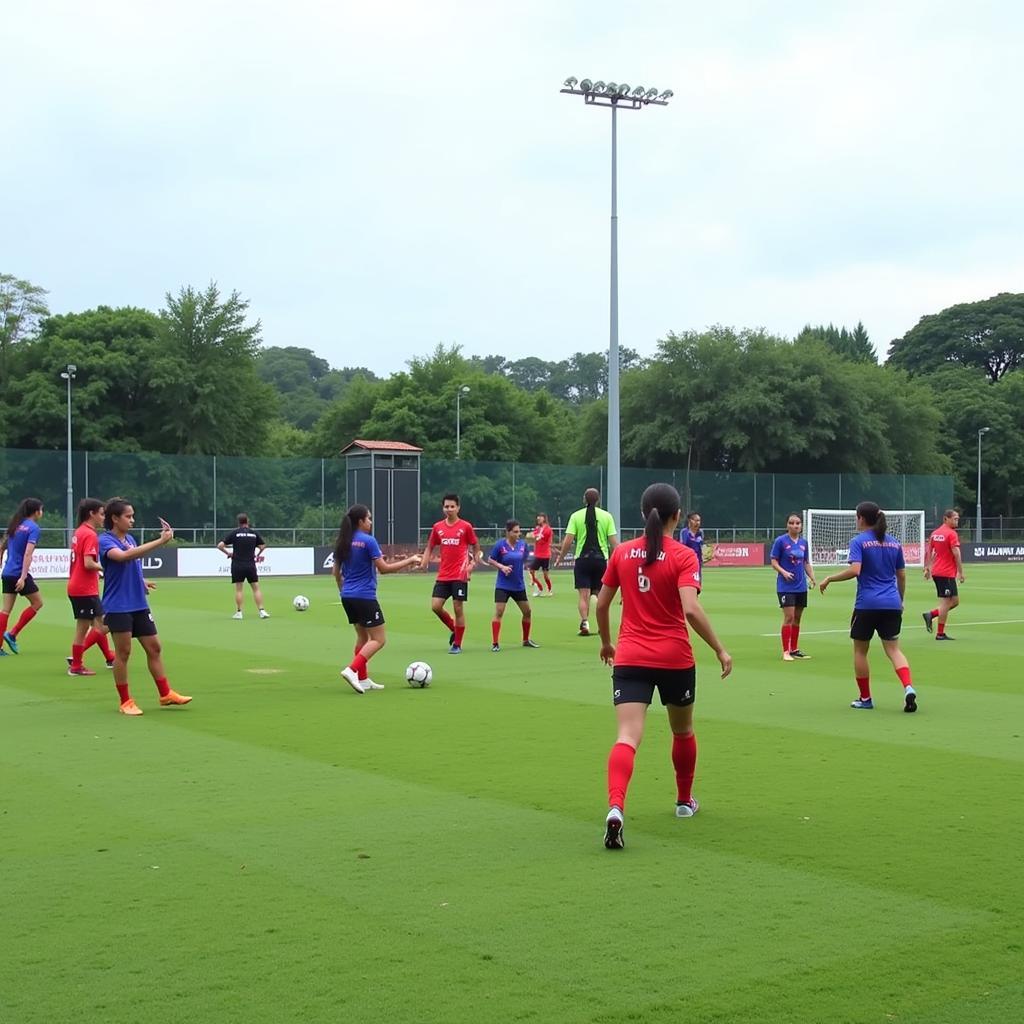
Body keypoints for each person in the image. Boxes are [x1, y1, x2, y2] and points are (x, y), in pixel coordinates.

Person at [596, 483, 732, 850]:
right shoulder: (684, 555)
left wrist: (606, 642)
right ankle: (684, 802)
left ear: (643, 514)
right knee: (683, 732)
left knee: (627, 736)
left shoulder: (622, 553)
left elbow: (602, 605)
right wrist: (720, 649)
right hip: (674, 658)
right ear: (677, 515)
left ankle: (616, 807)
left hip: (630, 658)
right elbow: (689, 608)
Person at [819, 501, 917, 713]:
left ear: (861, 518)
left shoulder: (859, 542)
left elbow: (855, 570)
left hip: (867, 604)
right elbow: (901, 575)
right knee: (893, 650)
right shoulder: (894, 543)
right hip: (892, 603)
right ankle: (908, 687)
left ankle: (865, 698)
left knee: (860, 651)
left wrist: (829, 578)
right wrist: (900, 600)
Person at [99, 498, 191, 716]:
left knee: (154, 647)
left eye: (132, 516)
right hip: (118, 605)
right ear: (114, 518)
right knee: (123, 652)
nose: (132, 520)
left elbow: (132, 562)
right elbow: (122, 557)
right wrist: (160, 542)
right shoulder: (104, 540)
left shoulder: (129, 538)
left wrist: (141, 581)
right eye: (128, 516)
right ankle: (125, 701)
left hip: (138, 603)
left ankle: (166, 694)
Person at [333, 504, 420, 693]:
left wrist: (343, 591)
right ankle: (352, 669)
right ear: (361, 521)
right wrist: (411, 560)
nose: (371, 522)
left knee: (362, 637)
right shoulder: (368, 541)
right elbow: (384, 569)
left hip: (347, 596)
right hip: (365, 596)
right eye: (369, 518)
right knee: (379, 639)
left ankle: (363, 680)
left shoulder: (342, 541)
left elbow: (336, 573)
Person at [419, 493, 483, 654]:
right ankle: (454, 628)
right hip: (443, 575)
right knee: (435, 606)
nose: (449, 509)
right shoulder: (437, 527)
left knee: (458, 607)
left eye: (452, 506)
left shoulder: (465, 527)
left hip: (459, 575)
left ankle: (457, 644)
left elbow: (475, 546)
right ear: (443, 508)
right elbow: (429, 547)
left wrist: (473, 563)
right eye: (446, 506)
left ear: (458, 507)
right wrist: (424, 562)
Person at [554, 488, 618, 636]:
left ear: (584, 499)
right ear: (598, 500)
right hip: (600, 560)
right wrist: (618, 560)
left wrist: (561, 557)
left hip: (582, 560)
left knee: (583, 595)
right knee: (600, 595)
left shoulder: (576, 516)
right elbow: (614, 543)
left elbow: (568, 541)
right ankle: (603, 625)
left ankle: (585, 622)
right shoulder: (607, 516)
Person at [67, 498, 116, 676]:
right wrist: (106, 568)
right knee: (87, 627)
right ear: (92, 514)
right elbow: (88, 563)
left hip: (80, 586)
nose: (104, 518)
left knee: (100, 623)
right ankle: (76, 665)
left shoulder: (79, 531)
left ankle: (109, 657)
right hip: (84, 588)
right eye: (102, 514)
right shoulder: (89, 534)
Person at [0, 497, 45, 655]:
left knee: (5, 610)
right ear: (36, 511)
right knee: (38, 603)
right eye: (41, 509)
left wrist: (0, 561)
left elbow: (2, 546)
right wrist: (23, 577)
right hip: (19, 573)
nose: (42, 512)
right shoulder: (33, 528)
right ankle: (12, 634)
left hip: (7, 572)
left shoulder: (15, 524)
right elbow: (28, 553)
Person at [770, 512, 817, 661]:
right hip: (785, 586)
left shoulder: (804, 543)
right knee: (789, 617)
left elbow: (805, 562)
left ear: (801, 525)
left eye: (797, 523)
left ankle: (794, 649)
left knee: (797, 618)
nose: (795, 525)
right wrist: (783, 572)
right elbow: (773, 562)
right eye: (792, 523)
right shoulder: (780, 541)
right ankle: (785, 651)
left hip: (801, 586)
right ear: (787, 525)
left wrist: (812, 577)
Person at [487, 519, 539, 652]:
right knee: (499, 612)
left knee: (527, 612)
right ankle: (495, 643)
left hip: (518, 585)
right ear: (508, 532)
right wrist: (502, 567)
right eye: (515, 532)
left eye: (519, 531)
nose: (518, 534)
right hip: (503, 585)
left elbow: (525, 559)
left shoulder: (522, 545)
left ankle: (526, 640)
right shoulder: (500, 545)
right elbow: (490, 559)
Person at [922, 509, 964, 640]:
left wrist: (927, 568)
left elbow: (929, 552)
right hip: (946, 573)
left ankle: (932, 614)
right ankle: (940, 633)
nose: (957, 521)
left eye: (957, 519)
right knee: (946, 602)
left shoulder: (935, 534)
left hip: (938, 571)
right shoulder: (951, 534)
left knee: (955, 601)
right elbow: (956, 553)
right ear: (946, 519)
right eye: (955, 518)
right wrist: (961, 572)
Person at [218, 513, 269, 619]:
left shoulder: (235, 533)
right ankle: (262, 611)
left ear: (238, 522)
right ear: (247, 521)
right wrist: (257, 555)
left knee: (239, 589)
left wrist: (228, 553)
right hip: (250, 564)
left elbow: (220, 545)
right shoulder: (253, 533)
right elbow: (263, 546)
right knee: (256, 588)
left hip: (237, 564)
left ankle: (239, 612)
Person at [527, 513, 554, 597]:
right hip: (538, 555)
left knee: (546, 576)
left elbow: (540, 538)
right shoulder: (537, 528)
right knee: (531, 571)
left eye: (540, 518)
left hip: (545, 555)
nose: (538, 519)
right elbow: (531, 537)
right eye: (537, 518)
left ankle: (549, 589)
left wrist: (534, 536)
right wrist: (531, 536)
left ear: (544, 519)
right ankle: (539, 587)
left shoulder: (548, 529)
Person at [679, 511, 704, 588]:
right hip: (686, 562)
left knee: (697, 586)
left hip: (697, 562)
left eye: (699, 521)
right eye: (695, 520)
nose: (697, 523)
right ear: (690, 521)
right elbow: (682, 546)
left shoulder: (701, 532)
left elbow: (701, 547)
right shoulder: (684, 532)